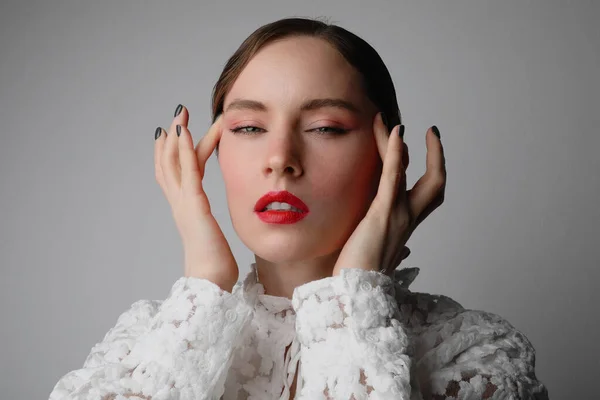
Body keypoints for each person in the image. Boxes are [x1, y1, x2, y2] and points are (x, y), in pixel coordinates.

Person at [48, 17, 549, 400]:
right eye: (248, 127)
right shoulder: (148, 345)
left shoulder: (474, 357)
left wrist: (354, 294)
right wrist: (204, 282)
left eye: (325, 127)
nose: (281, 160)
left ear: (387, 156)